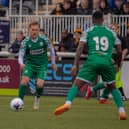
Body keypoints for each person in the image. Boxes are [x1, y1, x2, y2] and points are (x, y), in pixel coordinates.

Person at [54, 11, 127, 120]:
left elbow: (80, 47)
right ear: (103, 20)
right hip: (107, 61)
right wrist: (118, 64)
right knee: (113, 87)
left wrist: (75, 64)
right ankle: (122, 111)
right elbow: (119, 50)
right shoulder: (112, 33)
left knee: (77, 84)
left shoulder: (88, 31)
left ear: (92, 20)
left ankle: (68, 103)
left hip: (92, 60)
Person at [18, 21, 57, 110]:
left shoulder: (44, 39)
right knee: (24, 81)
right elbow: (20, 55)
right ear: (29, 30)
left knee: (40, 84)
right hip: (30, 65)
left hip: (42, 65)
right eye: (32, 30)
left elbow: (51, 50)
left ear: (39, 30)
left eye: (36, 30)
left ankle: (37, 99)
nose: (34, 32)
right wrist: (21, 63)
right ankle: (20, 102)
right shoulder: (25, 42)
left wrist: (53, 62)